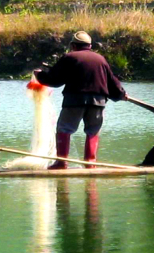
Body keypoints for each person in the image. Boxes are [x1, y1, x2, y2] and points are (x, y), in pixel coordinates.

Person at [33, 31, 127, 168]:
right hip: (98, 103)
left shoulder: (70, 57)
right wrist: (121, 94)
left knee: (64, 128)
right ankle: (90, 164)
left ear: (73, 45)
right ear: (89, 45)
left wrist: (40, 76)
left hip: (74, 101)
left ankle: (61, 163)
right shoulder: (101, 59)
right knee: (93, 130)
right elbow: (112, 82)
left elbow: (55, 79)